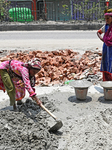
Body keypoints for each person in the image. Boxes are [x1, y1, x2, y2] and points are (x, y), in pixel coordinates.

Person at [97, 9, 112, 81]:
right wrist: (102, 39)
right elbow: (98, 32)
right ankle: (107, 81)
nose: (106, 20)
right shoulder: (105, 26)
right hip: (106, 47)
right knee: (106, 62)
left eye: (108, 18)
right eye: (105, 19)